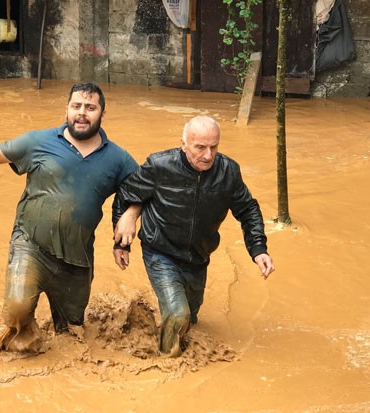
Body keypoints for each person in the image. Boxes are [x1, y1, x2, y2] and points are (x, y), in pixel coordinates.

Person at [0, 83, 138, 353]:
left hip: (77, 259)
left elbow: (141, 190)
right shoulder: (41, 141)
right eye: (76, 106)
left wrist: (130, 216)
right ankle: (25, 345)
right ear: (67, 109)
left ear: (102, 114)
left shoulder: (118, 159)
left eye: (90, 107)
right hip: (31, 245)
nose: (81, 113)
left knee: (72, 333)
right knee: (17, 309)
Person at [112, 115, 274, 357]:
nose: (208, 155)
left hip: (198, 256)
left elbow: (248, 209)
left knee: (191, 318)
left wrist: (258, 249)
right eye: (200, 147)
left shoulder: (228, 171)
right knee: (178, 314)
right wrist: (121, 243)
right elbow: (126, 194)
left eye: (214, 147)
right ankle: (168, 360)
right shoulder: (159, 166)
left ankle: (172, 334)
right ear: (184, 144)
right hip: (160, 251)